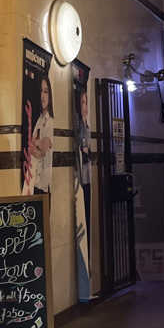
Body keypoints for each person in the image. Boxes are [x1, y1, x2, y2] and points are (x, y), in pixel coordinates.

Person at [22, 76, 54, 195]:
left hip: (44, 185)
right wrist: (37, 145)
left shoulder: (51, 121)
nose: (42, 96)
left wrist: (37, 144)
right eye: (41, 91)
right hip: (35, 181)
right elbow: (31, 149)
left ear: (50, 95)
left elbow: (44, 148)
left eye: (46, 91)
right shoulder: (40, 119)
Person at [75, 89, 92, 236]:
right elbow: (84, 147)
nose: (85, 107)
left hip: (88, 175)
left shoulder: (86, 124)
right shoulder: (80, 126)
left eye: (86, 103)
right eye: (82, 103)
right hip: (82, 176)